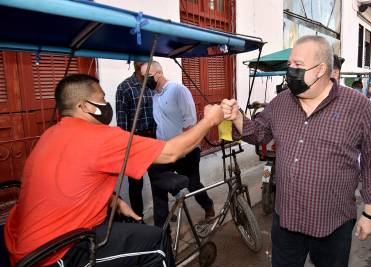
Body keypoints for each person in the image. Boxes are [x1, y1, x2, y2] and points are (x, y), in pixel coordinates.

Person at [4, 74, 224, 267]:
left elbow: (67, 182)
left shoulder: (49, 135)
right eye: (102, 99)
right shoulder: (100, 137)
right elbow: (171, 153)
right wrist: (209, 120)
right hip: (58, 253)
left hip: (22, 245)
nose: (106, 104)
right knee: (156, 241)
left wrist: (112, 200)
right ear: (84, 106)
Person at [221, 35, 371, 267]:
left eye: (297, 65)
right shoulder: (281, 103)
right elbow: (258, 133)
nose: (290, 71)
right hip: (287, 219)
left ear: (321, 69)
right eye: (290, 65)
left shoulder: (358, 107)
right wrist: (238, 118)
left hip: (333, 223)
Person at [141, 61, 215, 228]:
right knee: (158, 185)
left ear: (158, 74)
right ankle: (162, 230)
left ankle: (208, 206)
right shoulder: (155, 96)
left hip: (185, 150)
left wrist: (183, 149)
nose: (144, 81)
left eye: (147, 77)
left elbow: (190, 122)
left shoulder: (178, 90)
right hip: (164, 150)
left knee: (193, 184)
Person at [116, 61, 156, 219]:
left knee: (158, 178)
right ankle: (138, 218)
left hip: (153, 138)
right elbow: (122, 122)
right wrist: (126, 147)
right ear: (137, 66)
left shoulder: (152, 85)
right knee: (135, 184)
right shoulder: (124, 87)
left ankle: (162, 213)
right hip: (135, 141)